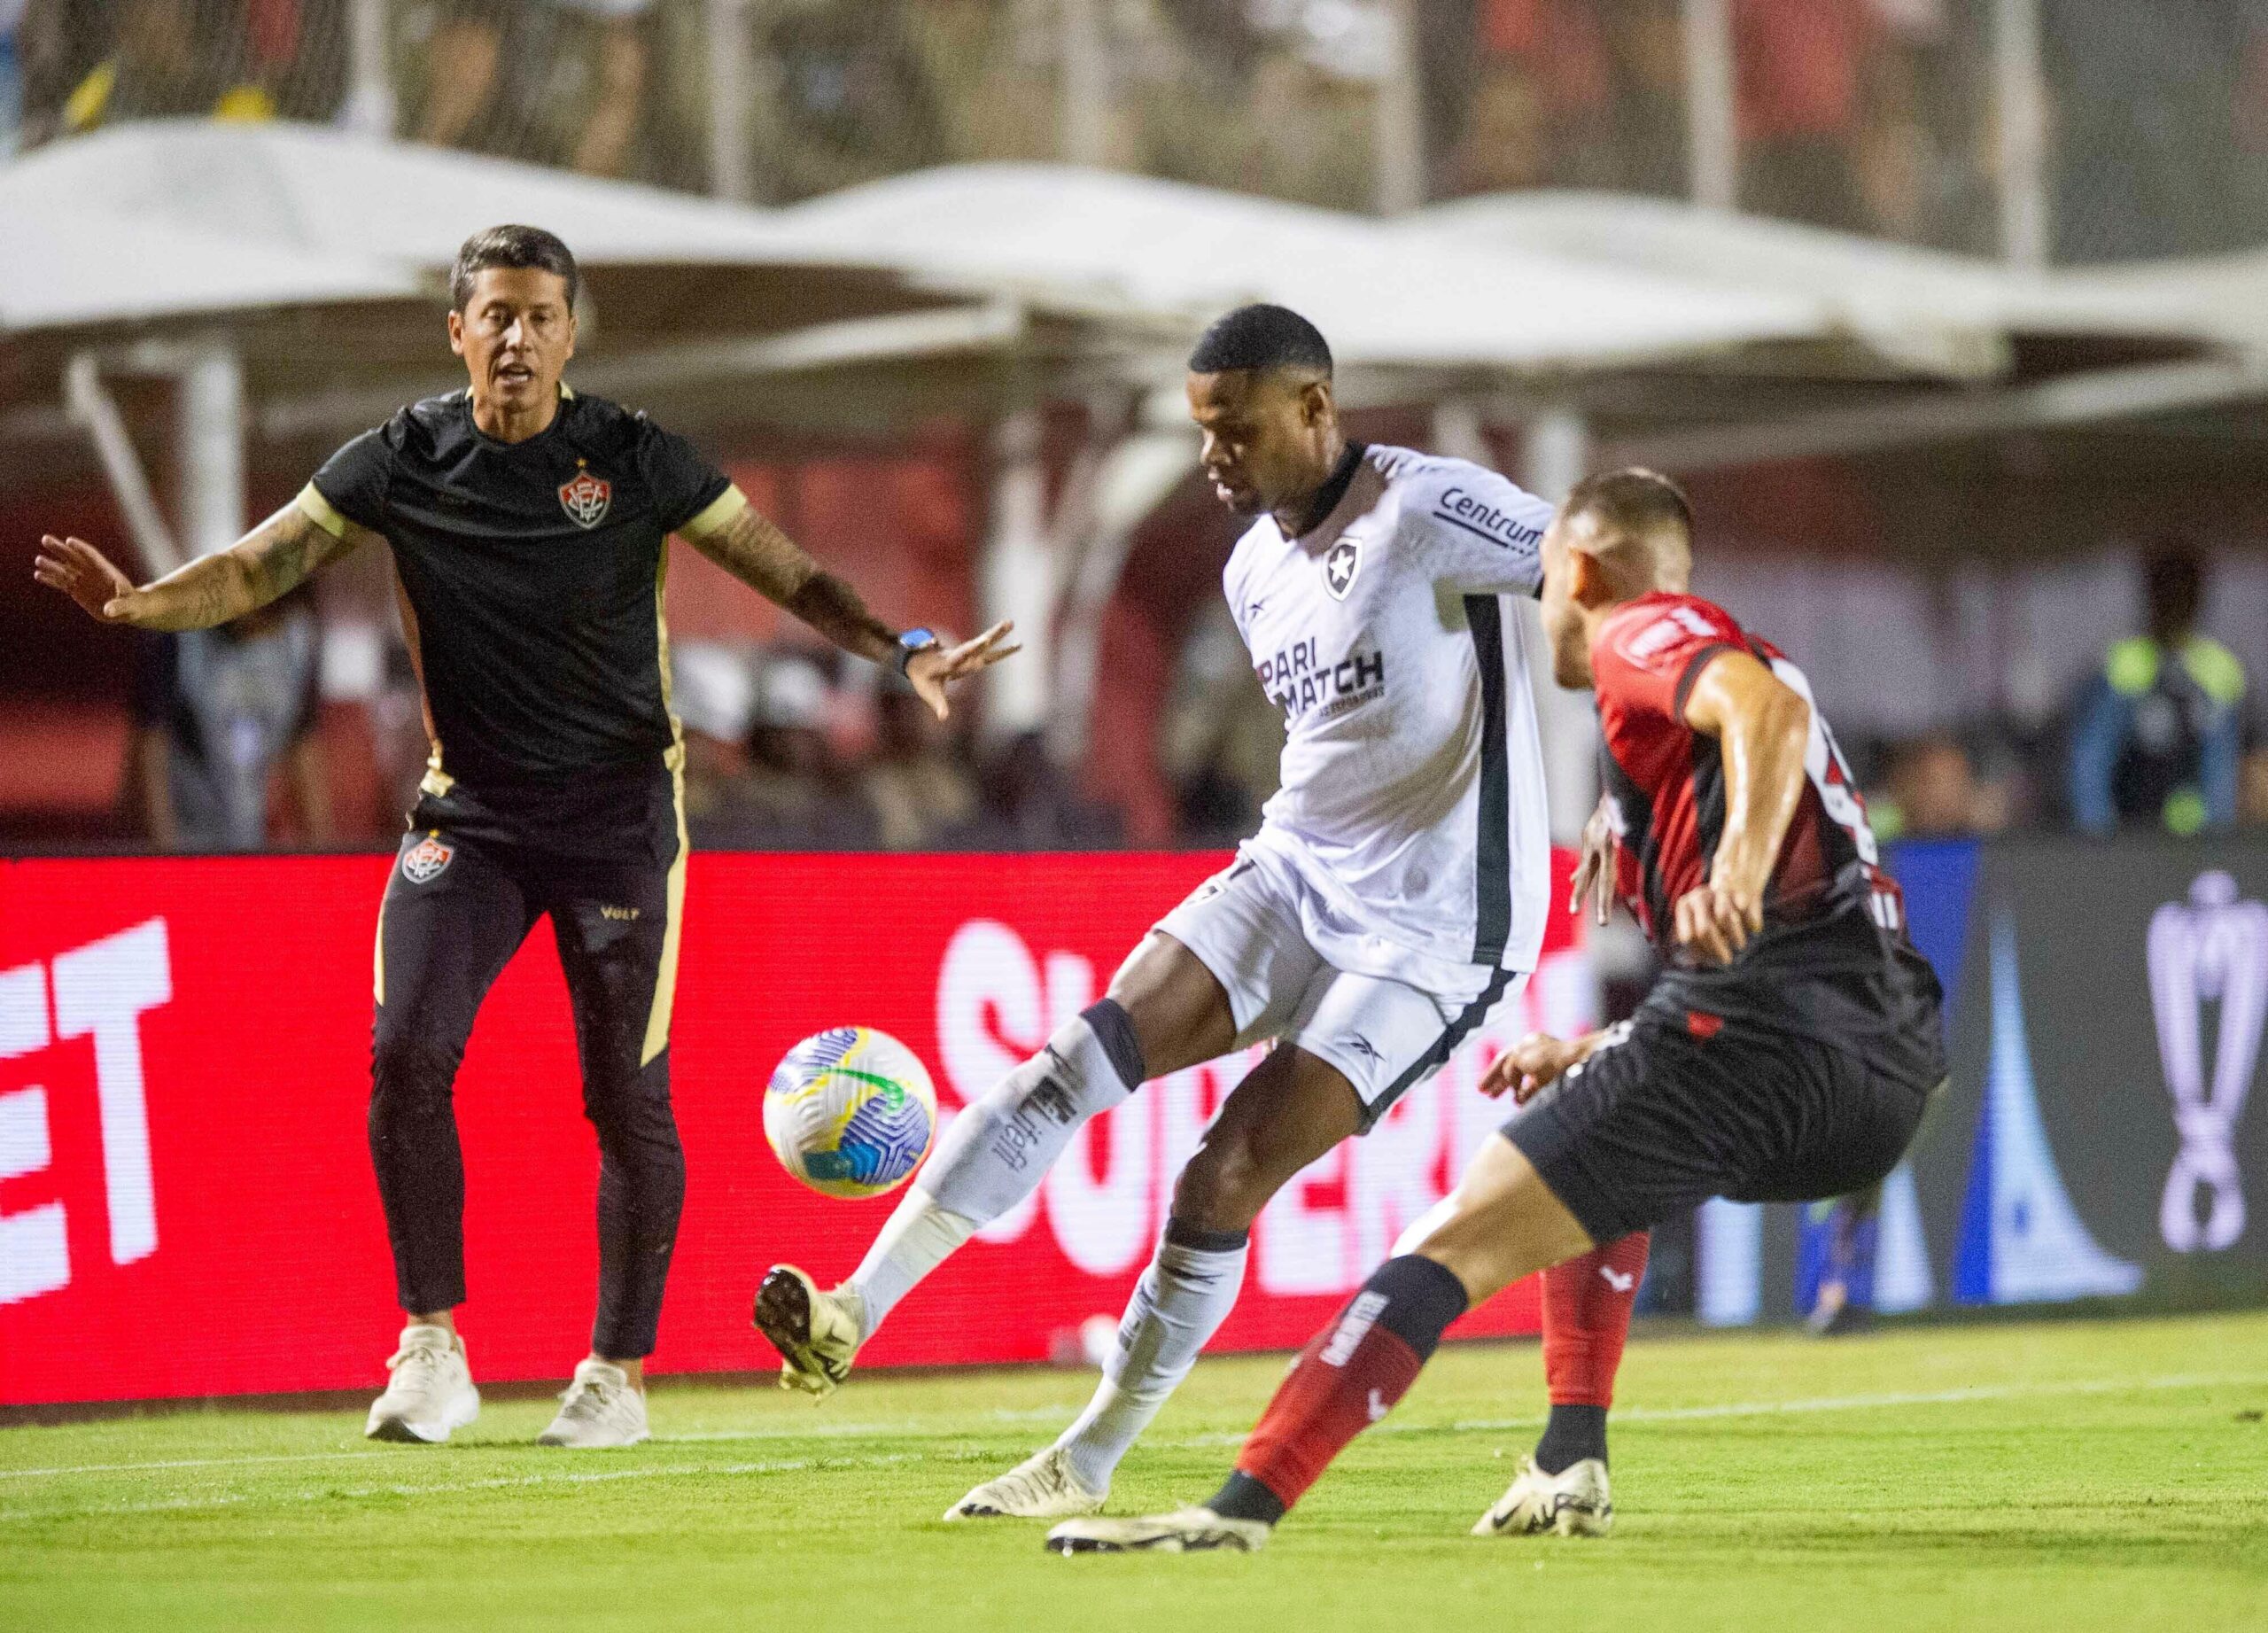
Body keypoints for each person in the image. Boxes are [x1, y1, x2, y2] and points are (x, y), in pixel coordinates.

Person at [35, 224, 1014, 1450]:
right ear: (457, 330)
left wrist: (899, 645)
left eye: (541, 314)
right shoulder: (402, 458)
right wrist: (139, 603)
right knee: (404, 1054)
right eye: (494, 313)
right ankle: (433, 1349)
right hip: (472, 817)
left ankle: (615, 1375)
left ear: (569, 330)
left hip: (617, 824)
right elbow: (257, 565)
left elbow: (783, 566)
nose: (517, 335)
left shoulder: (633, 456)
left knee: (624, 1094)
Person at [751, 303, 1559, 1521]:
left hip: (1442, 924)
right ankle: (851, 1307)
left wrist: (1656, 751)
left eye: (1234, 430)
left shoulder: (1433, 508)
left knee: (1221, 1170)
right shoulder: (1249, 570)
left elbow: (1598, 567)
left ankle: (1085, 1456)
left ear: (1316, 410)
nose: (1212, 457)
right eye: (1200, 432)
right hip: (1299, 868)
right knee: (1068, 1062)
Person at [1045, 468, 1945, 1553]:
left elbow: (1767, 711)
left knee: (1442, 1245)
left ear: (1577, 569)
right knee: (1602, 1153)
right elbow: (1783, 825)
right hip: (1887, 1074)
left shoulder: (1639, 630)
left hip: (1770, 1041)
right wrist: (1602, 1038)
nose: (1543, 612)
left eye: (1546, 586)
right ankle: (1571, 1457)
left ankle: (1233, 1512)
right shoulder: (1690, 702)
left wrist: (1739, 871)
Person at [2069, 543, 2246, 836]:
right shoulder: (2125, 663)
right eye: (2166, 592)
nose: (2174, 602)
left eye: (2183, 592)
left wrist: (2218, 840)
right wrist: (2097, 838)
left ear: (2197, 598)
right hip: (2132, 829)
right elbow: (2092, 760)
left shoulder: (2219, 668)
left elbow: (2221, 768)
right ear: (2152, 597)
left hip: (2194, 833)